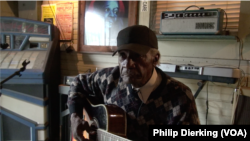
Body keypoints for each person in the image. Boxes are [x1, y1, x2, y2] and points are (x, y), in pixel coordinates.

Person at [68, 25, 200, 141]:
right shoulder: (109, 78)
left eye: (137, 56)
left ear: (155, 58)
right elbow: (77, 83)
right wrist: (75, 116)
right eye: (122, 55)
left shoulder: (180, 97)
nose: (128, 64)